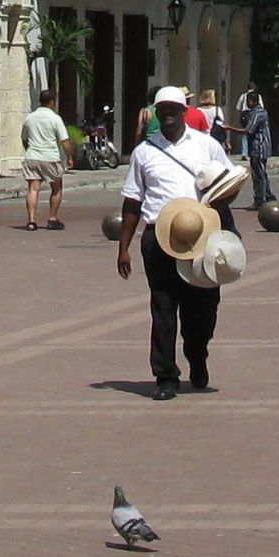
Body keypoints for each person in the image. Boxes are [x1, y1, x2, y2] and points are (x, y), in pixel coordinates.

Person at [117, 86, 237, 400]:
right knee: (163, 308)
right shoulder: (144, 152)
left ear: (184, 111)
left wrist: (219, 209)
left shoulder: (206, 146)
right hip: (159, 237)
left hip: (202, 236)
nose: (168, 114)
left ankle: (197, 355)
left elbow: (229, 184)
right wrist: (123, 247)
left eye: (174, 109)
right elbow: (132, 200)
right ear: (156, 113)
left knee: (204, 309)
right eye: (162, 109)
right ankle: (165, 376)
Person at [20, 89, 74, 231]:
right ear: (52, 102)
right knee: (56, 187)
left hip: (32, 156)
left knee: (33, 188)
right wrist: (69, 156)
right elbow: (65, 140)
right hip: (50, 157)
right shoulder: (55, 118)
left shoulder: (30, 118)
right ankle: (52, 218)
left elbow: (24, 139)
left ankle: (31, 221)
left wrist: (30, 150)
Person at [226, 91, 275, 210]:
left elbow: (248, 130)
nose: (247, 103)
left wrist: (229, 128)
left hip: (259, 147)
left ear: (254, 101)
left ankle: (260, 199)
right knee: (261, 173)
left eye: (249, 101)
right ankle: (269, 196)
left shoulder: (258, 114)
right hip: (258, 146)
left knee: (258, 174)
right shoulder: (255, 112)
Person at [234, 81, 263, 160]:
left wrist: (242, 115)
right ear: (254, 88)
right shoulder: (257, 96)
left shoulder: (243, 96)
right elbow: (261, 107)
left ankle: (244, 152)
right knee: (253, 133)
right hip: (253, 114)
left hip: (244, 115)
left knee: (244, 133)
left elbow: (238, 108)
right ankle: (250, 151)